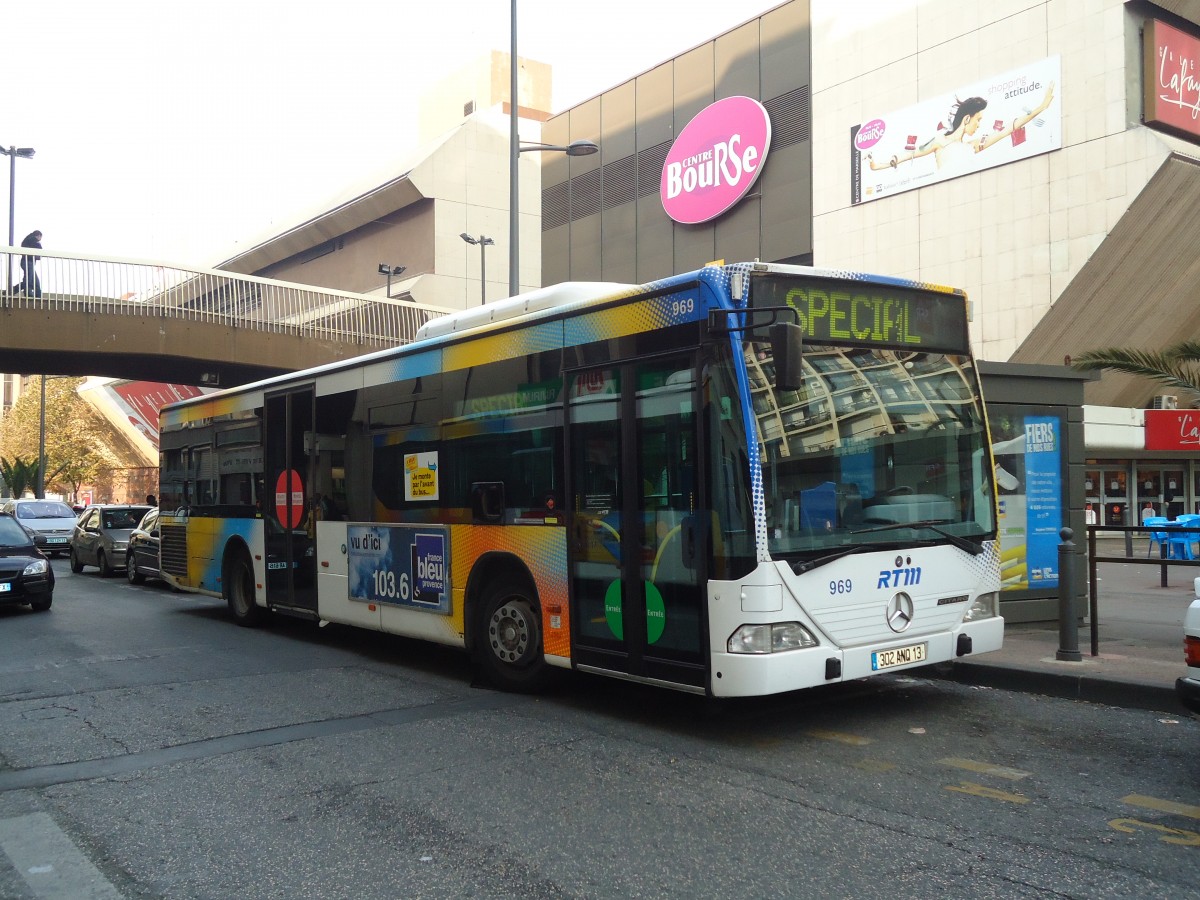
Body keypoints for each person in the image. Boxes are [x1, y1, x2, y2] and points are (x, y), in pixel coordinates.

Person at [868, 82, 1055, 175]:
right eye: (978, 120)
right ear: (967, 118)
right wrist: (880, 165)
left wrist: (1041, 108)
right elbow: (912, 153)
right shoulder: (941, 141)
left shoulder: (973, 145)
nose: (979, 125)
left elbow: (1009, 128)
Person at [16, 230, 42, 298]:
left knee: (33, 281)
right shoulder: (32, 239)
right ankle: (29, 294)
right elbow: (39, 250)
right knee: (28, 281)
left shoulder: (28, 239)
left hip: (27, 262)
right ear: (39, 236)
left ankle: (38, 295)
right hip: (28, 262)